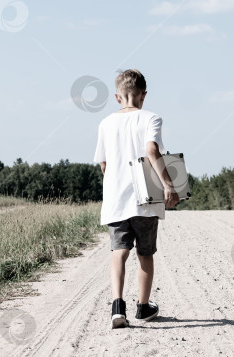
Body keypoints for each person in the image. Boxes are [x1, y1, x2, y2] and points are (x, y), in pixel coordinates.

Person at [93, 69, 179, 329]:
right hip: (146, 199)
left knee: (119, 252)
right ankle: (143, 307)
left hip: (116, 200)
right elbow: (151, 150)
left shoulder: (105, 123)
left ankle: (117, 307)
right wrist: (168, 185)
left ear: (117, 97)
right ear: (144, 95)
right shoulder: (151, 117)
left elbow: (104, 164)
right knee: (145, 253)